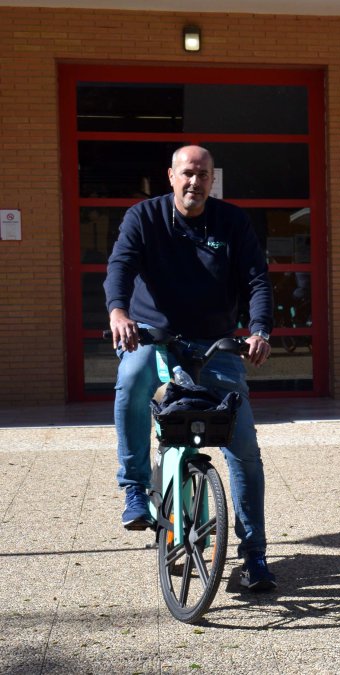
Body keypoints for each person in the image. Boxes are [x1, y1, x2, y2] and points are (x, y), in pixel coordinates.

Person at [105, 145, 277, 592]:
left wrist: (259, 329)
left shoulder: (231, 222)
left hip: (214, 343)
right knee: (130, 380)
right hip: (152, 335)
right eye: (187, 173)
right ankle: (134, 490)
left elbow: (257, 278)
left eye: (203, 174)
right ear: (171, 176)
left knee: (242, 446)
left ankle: (254, 556)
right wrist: (118, 312)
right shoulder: (144, 217)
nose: (194, 181)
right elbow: (121, 265)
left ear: (212, 180)